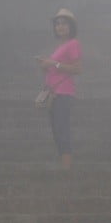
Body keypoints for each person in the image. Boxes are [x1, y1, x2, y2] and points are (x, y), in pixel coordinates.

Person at [36, 9, 82, 169]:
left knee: (62, 129)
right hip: (54, 93)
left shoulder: (73, 44)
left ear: (71, 27)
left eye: (64, 24)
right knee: (56, 130)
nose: (60, 27)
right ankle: (64, 165)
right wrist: (46, 65)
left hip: (64, 93)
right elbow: (56, 67)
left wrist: (52, 64)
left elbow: (77, 68)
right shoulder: (60, 47)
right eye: (57, 24)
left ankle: (66, 168)